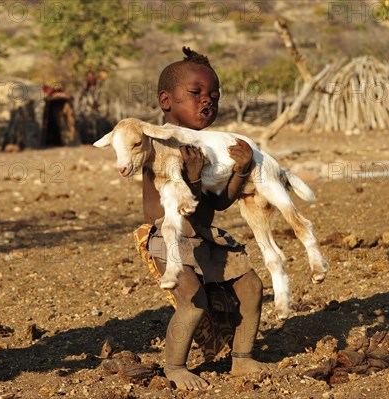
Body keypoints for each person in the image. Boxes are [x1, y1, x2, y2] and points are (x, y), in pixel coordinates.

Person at [135, 47, 268, 390]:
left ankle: (242, 358)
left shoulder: (209, 146)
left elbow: (219, 204)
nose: (206, 101)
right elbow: (155, 212)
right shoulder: (157, 146)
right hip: (170, 240)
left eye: (214, 96)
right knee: (193, 302)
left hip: (204, 236)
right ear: (166, 100)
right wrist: (191, 180)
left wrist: (240, 170)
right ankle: (175, 367)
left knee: (252, 288)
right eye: (195, 94)